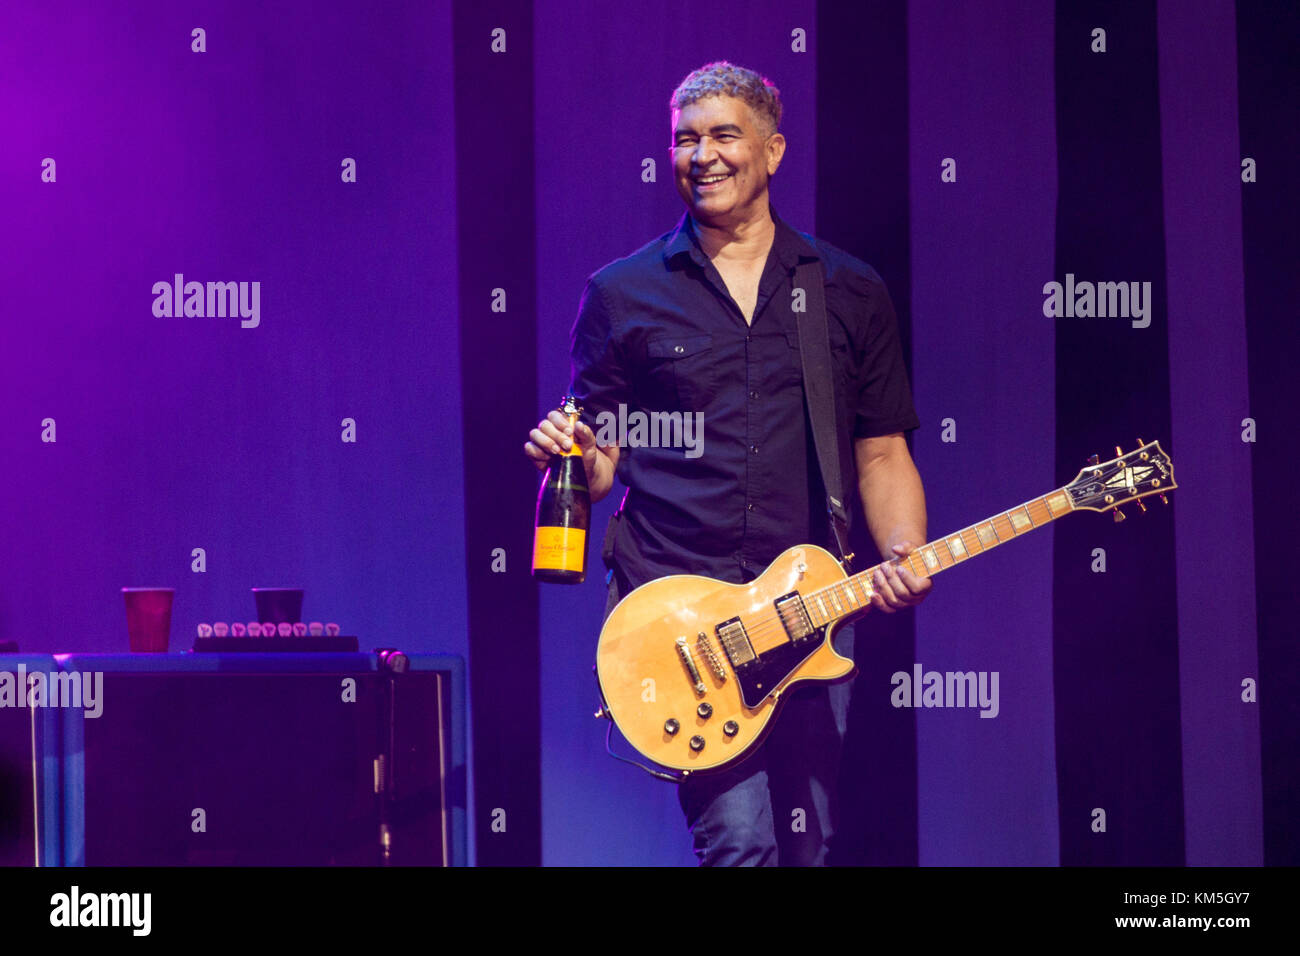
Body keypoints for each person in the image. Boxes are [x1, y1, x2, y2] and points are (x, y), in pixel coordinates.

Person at [524, 61, 931, 866]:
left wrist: (903, 552)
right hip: (682, 616)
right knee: (741, 841)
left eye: (722, 136)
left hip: (809, 609)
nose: (700, 155)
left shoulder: (846, 289)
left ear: (773, 152)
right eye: (684, 139)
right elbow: (599, 465)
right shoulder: (623, 292)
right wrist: (570, 456)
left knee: (810, 844)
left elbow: (881, 449)